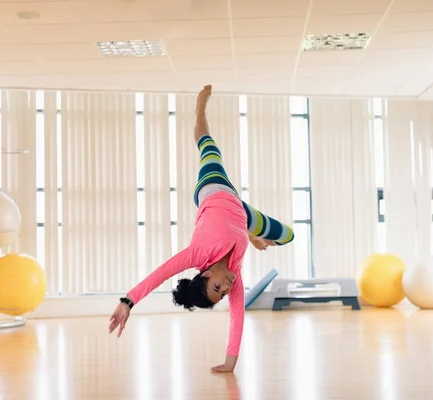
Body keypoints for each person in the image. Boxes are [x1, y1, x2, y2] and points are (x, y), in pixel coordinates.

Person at [108, 85, 294, 373]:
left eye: (217, 287)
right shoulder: (236, 272)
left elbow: (159, 274)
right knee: (287, 236)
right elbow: (237, 316)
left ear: (206, 273)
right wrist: (230, 365)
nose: (227, 288)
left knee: (208, 145)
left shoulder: (197, 254)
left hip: (214, 190)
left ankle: (199, 109)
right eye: (222, 293)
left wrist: (127, 302)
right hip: (242, 216)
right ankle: (252, 235)